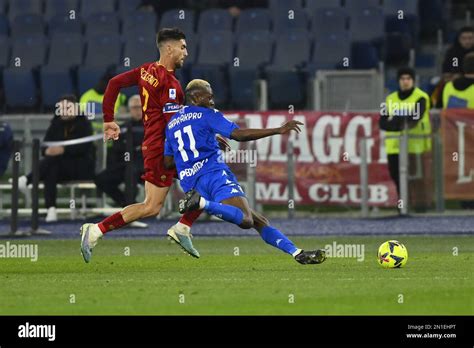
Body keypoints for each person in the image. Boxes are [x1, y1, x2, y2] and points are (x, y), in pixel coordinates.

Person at [80, 28, 229, 263]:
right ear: (169, 48)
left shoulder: (145, 71)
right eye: (182, 47)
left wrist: (109, 119)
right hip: (164, 148)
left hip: (155, 145)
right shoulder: (170, 84)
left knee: (203, 184)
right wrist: (207, 138)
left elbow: (114, 83)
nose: (186, 53)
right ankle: (98, 230)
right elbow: (174, 123)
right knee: (153, 205)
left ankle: (180, 228)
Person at [164, 79, 326, 265]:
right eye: (209, 97)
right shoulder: (207, 114)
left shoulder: (172, 123)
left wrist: (192, 169)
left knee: (259, 220)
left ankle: (297, 253)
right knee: (247, 220)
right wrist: (278, 130)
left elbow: (168, 163)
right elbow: (239, 135)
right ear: (196, 97)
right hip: (214, 175)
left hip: (192, 183)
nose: (212, 102)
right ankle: (201, 203)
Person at [19, 95, 95, 222]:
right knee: (51, 168)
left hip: (81, 166)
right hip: (59, 167)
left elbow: (84, 148)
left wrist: (63, 150)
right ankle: (51, 210)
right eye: (62, 108)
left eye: (67, 107)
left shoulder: (84, 124)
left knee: (51, 164)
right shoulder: (56, 123)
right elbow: (45, 145)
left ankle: (28, 179)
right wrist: (47, 150)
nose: (64, 110)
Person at [379, 68, 432, 212]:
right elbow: (382, 122)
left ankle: (421, 206)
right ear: (398, 81)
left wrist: (395, 122)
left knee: (416, 177)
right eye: (402, 79)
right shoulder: (389, 99)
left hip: (415, 145)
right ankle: (403, 205)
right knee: (396, 177)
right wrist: (399, 124)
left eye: (408, 78)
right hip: (395, 145)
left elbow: (415, 118)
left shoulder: (421, 97)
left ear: (413, 81)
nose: (405, 81)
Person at [94, 95, 145, 209]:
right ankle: (127, 205)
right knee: (101, 179)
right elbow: (116, 150)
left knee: (131, 171)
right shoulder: (122, 128)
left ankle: (130, 208)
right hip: (125, 164)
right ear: (130, 109)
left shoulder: (152, 126)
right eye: (134, 107)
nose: (137, 110)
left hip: (146, 165)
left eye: (140, 107)